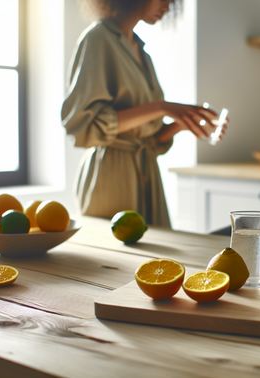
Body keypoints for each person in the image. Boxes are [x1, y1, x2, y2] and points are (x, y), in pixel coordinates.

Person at [62, 0, 224, 227]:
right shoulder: (98, 39)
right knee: (115, 258)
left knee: (157, 260)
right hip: (111, 176)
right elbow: (83, 126)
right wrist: (163, 107)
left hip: (148, 176)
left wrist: (182, 122)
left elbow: (151, 140)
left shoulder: (140, 49)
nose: (168, 7)